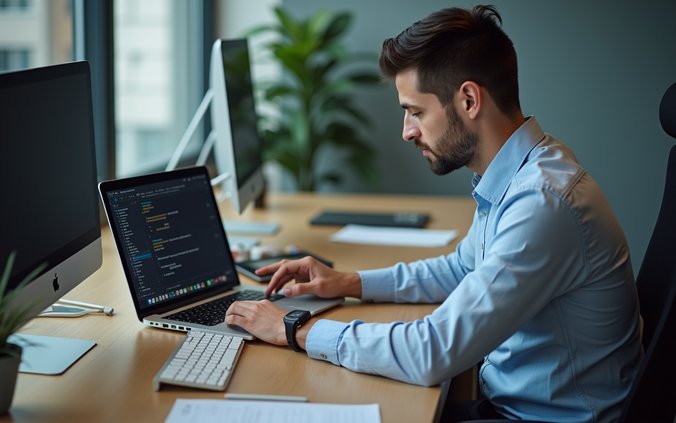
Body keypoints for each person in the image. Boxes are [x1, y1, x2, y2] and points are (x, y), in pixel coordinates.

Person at [225, 5, 642, 422]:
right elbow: (463, 268)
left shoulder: (541, 202)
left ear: (468, 99)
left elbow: (432, 352)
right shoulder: (525, 169)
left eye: (415, 111)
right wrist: (348, 282)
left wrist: (295, 328)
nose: (407, 130)